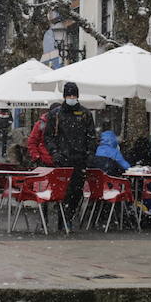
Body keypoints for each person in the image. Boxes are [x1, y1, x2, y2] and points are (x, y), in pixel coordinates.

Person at [45, 81, 97, 223]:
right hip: (62, 159)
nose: (72, 98)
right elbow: (48, 136)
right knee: (63, 191)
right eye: (69, 95)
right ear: (65, 96)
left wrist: (90, 154)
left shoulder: (85, 114)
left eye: (74, 95)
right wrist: (55, 152)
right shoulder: (56, 114)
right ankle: (63, 217)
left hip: (80, 159)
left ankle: (69, 215)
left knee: (77, 191)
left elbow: (91, 136)